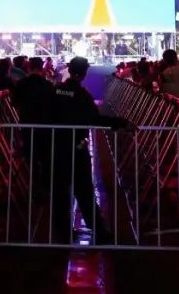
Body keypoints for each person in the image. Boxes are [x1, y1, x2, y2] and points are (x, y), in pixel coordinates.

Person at [51, 56, 130, 244]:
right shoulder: (82, 95)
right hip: (77, 147)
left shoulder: (56, 91)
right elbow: (95, 119)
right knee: (84, 190)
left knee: (60, 191)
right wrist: (120, 123)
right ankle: (99, 231)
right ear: (84, 73)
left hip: (57, 146)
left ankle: (62, 232)